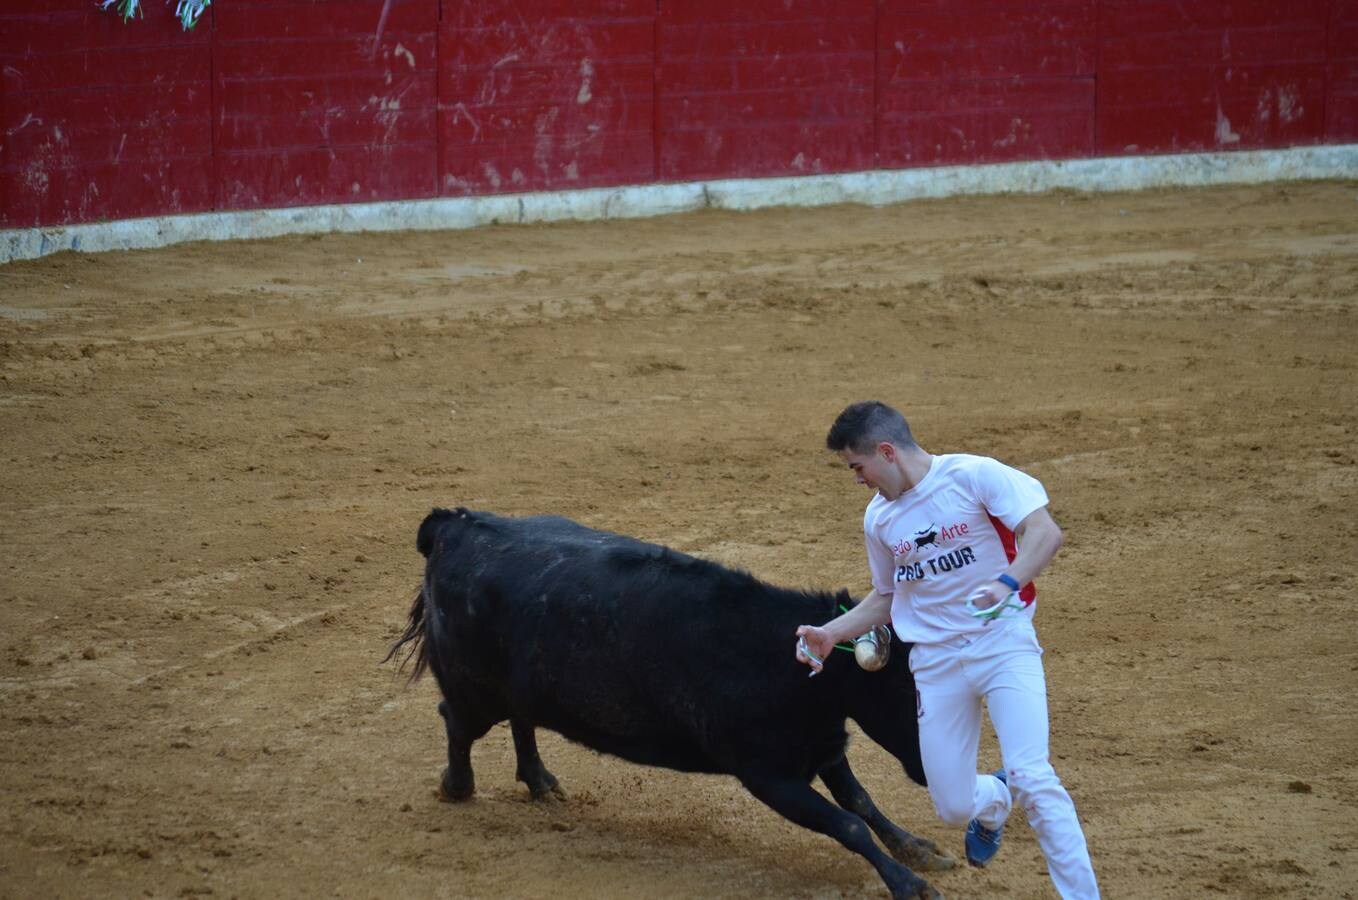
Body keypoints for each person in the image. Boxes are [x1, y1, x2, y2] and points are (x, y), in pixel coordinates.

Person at [796, 400, 1099, 900]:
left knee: (1035, 778)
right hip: (935, 665)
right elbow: (888, 597)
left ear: (886, 452)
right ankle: (995, 797)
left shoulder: (975, 476)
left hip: (1003, 645)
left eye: (858, 467)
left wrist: (1008, 581)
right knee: (953, 806)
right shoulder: (878, 520)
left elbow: (1044, 532)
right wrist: (833, 633)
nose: (857, 480)